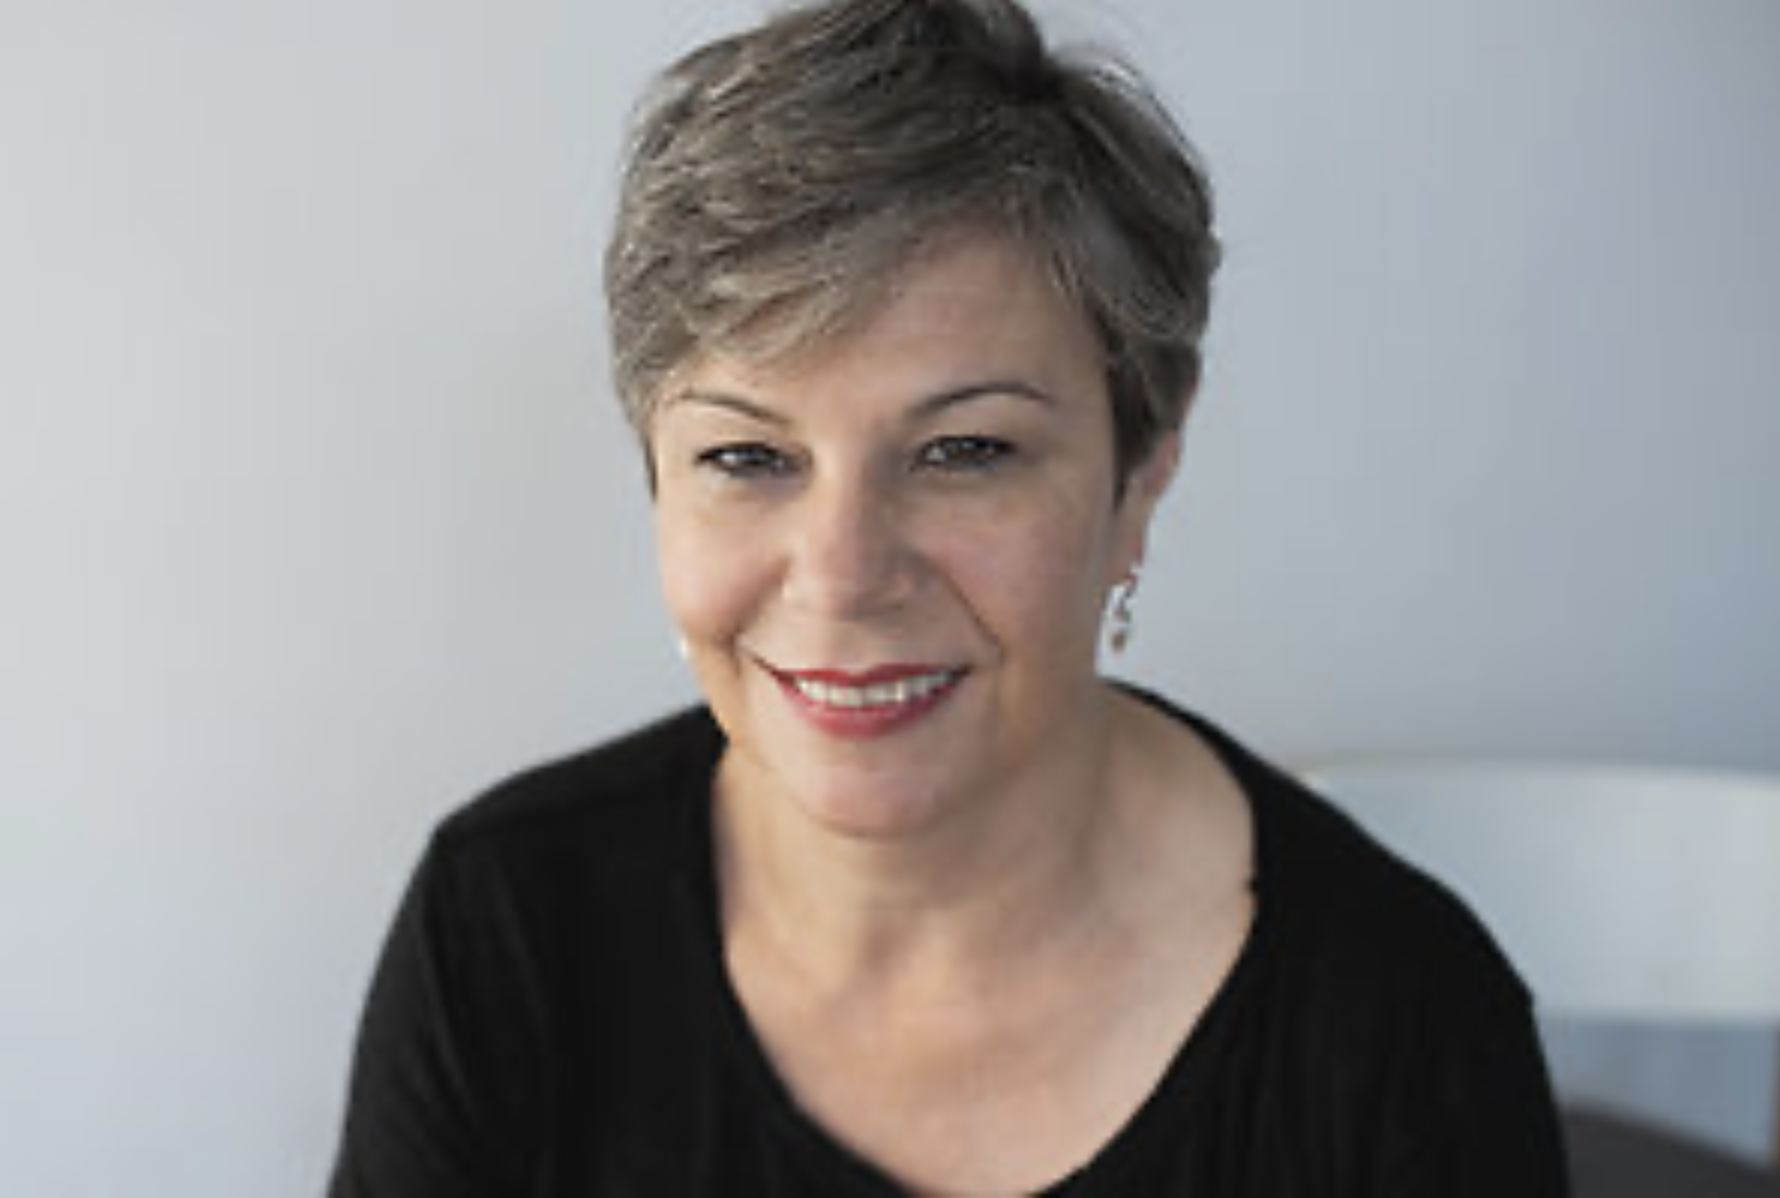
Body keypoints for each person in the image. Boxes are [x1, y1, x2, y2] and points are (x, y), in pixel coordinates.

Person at [328, 1, 1571, 1194]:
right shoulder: (507, 926)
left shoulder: (1406, 1023)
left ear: (1139, 476)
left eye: (964, 451)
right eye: (748, 457)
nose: (842, 574)